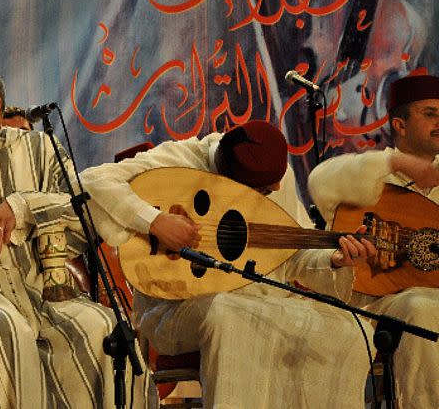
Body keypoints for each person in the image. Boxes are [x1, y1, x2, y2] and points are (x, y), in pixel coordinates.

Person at [0, 61, 156, 408]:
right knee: (6, 330)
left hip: (43, 292)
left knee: (103, 327)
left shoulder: (39, 151)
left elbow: (82, 217)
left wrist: (25, 206)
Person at [80, 121, 377, 408]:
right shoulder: (181, 160)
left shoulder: (273, 175)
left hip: (266, 302)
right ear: (232, 181)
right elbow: (93, 181)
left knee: (349, 329)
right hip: (177, 308)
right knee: (233, 314)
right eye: (263, 192)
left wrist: (336, 260)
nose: (275, 190)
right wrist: (155, 221)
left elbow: (295, 254)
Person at [309, 72, 439, 408]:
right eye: (429, 114)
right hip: (379, 302)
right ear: (400, 125)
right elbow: (319, 181)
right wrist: (398, 162)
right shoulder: (376, 175)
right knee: (420, 307)